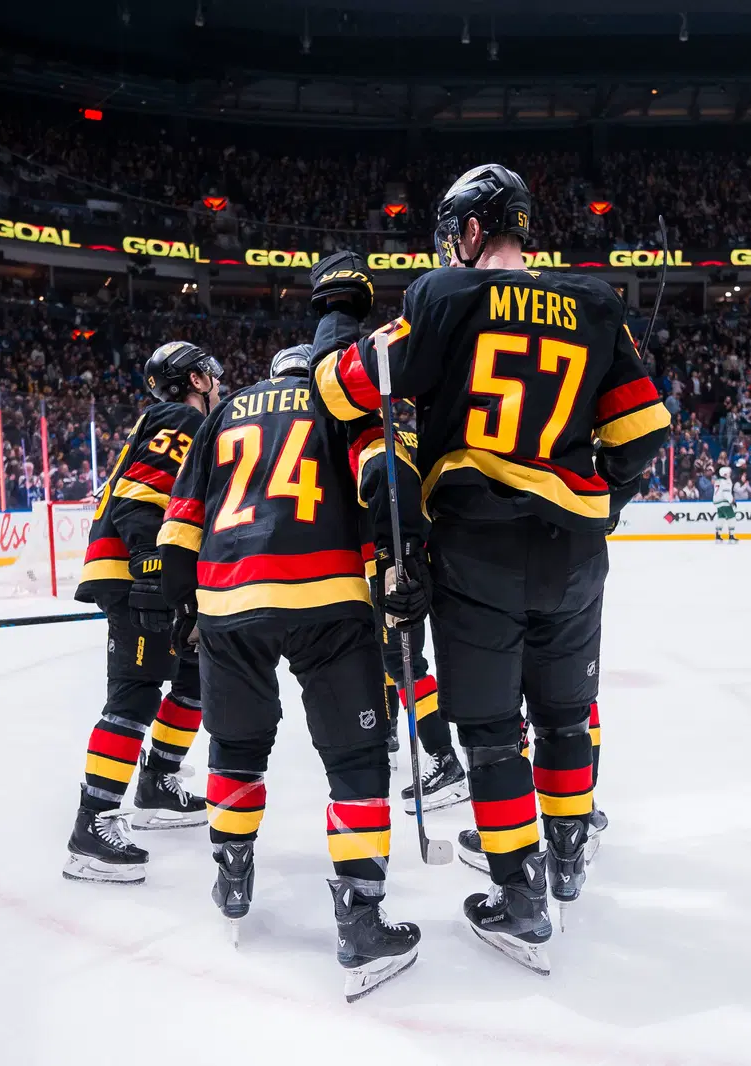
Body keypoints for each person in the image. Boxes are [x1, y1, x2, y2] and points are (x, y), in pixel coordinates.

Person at [310, 163, 670, 973]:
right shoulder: (597, 302)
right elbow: (645, 428)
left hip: (477, 547)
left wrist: (338, 319)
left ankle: (521, 896)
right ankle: (570, 853)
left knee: (490, 735)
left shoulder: (443, 295)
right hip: (576, 553)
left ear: (471, 232)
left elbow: (344, 392)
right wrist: (597, 503)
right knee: (567, 718)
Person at [157, 342, 422, 1002]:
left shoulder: (225, 414)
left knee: (237, 746)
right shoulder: (340, 402)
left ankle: (233, 870)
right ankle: (361, 917)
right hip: (328, 599)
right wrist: (400, 567)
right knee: (357, 757)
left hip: (230, 595)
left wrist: (186, 604)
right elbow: (382, 494)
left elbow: (181, 520)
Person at [61, 341, 221, 885]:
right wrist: (152, 571)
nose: (217, 382)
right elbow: (138, 495)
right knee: (133, 696)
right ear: (196, 381)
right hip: (136, 580)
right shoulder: (180, 417)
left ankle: (158, 782)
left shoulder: (173, 418)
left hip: (149, 578)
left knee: (193, 680)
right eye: (210, 374)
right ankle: (93, 824)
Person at [307, 295, 470, 813]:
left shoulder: (366, 431)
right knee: (384, 661)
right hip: (396, 559)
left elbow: (387, 489)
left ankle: (445, 759)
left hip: (388, 563)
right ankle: (397, 737)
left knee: (402, 664)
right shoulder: (384, 427)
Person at [713, 464, 738, 542]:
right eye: (728, 473)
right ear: (725, 474)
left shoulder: (718, 481)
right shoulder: (726, 482)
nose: (730, 474)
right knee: (732, 517)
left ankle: (718, 535)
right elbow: (726, 493)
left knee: (721, 517)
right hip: (724, 502)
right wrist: (731, 501)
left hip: (717, 502)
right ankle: (731, 535)